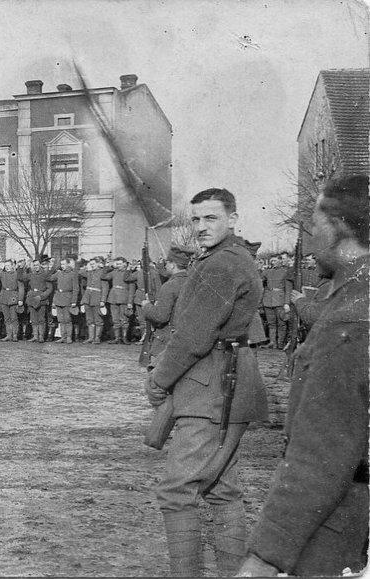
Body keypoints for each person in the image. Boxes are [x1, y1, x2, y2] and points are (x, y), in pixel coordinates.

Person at [238, 175, 369, 577]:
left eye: (314, 224)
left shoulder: (350, 315)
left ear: (339, 226)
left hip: (343, 516)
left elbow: (321, 451)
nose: (310, 240)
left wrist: (265, 556)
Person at [145, 188, 267, 576]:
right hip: (231, 380)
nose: (200, 226)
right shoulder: (233, 258)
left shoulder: (220, 265)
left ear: (233, 219)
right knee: (221, 489)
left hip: (210, 386)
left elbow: (194, 336)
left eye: (210, 218)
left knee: (176, 492)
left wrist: (160, 379)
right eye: (195, 219)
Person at [140, 246, 193, 361]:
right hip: (187, 338)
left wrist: (147, 306)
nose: (165, 265)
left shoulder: (170, 286)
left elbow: (161, 316)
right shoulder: (193, 282)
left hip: (167, 340)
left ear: (173, 265)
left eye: (167, 262)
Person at [50, 258, 81, 344]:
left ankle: (69, 337)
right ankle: (63, 337)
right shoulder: (59, 273)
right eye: (61, 264)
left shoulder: (73, 274)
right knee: (60, 319)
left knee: (67, 319)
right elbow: (49, 278)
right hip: (58, 298)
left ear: (68, 264)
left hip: (68, 298)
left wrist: (74, 301)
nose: (62, 266)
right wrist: (54, 266)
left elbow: (76, 289)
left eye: (63, 264)